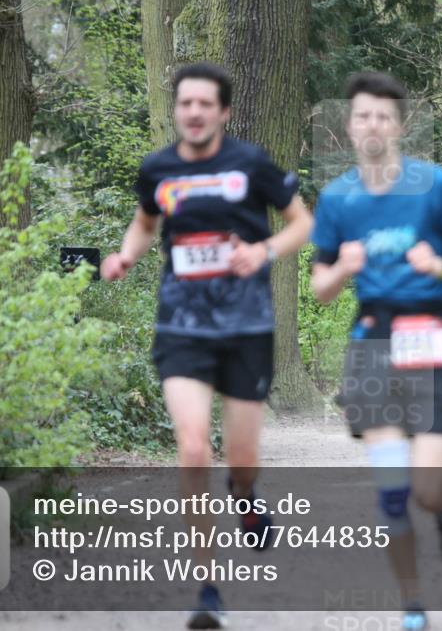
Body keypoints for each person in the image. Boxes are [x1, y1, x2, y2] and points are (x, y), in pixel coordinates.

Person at [101, 62, 313, 630]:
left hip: (245, 327)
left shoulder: (250, 163)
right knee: (194, 448)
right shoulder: (158, 169)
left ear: (223, 112)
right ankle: (208, 588)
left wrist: (263, 252)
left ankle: (244, 495)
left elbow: (300, 223)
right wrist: (125, 256)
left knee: (241, 462)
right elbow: (146, 226)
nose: (193, 112)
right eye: (184, 103)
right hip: (182, 325)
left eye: (204, 104)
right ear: (176, 110)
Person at [311, 71, 442, 631]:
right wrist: (340, 267)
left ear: (400, 125)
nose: (373, 124)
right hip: (374, 344)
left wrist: (437, 265)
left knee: (428, 489)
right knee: (392, 493)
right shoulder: (337, 197)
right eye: (363, 114)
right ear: (348, 124)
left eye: (384, 116)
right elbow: (320, 288)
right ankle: (412, 604)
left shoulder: (432, 185)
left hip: (433, 339)